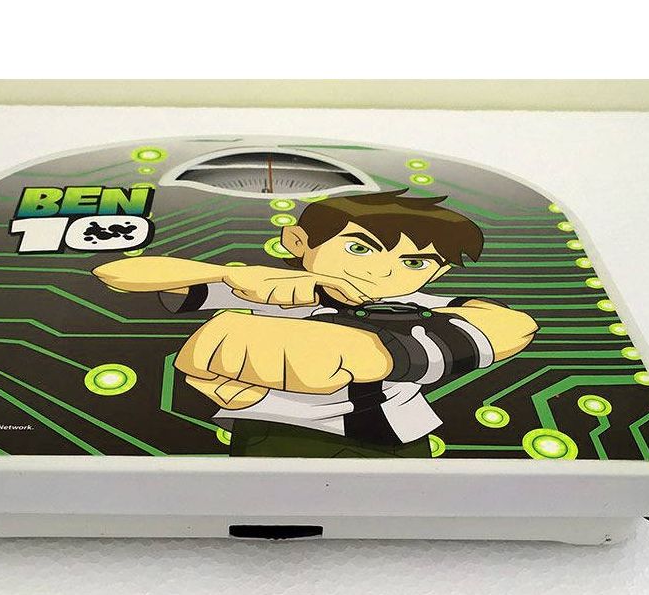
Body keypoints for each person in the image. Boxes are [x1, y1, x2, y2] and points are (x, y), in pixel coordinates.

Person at [93, 190, 537, 457]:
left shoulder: (417, 303)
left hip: (386, 439)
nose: (384, 272)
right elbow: (118, 273)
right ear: (298, 242)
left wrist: (381, 353)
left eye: (415, 262)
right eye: (359, 249)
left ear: (436, 273)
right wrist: (227, 275)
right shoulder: (272, 288)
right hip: (267, 431)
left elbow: (513, 326)